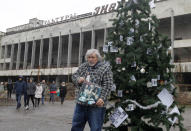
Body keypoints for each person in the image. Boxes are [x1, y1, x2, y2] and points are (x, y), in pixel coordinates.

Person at [71, 49, 113, 131]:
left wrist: (102, 98)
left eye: (93, 57)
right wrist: (78, 79)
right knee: (76, 126)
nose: (90, 59)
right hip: (81, 103)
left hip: (96, 104)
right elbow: (74, 76)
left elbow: (108, 84)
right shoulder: (83, 66)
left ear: (97, 58)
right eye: (89, 57)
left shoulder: (105, 68)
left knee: (95, 128)